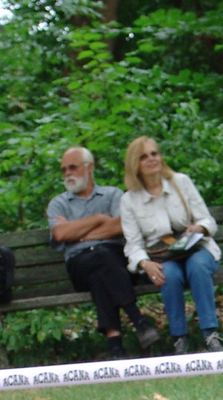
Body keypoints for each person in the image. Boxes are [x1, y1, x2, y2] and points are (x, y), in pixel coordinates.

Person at [48, 146, 161, 358]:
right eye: (63, 170)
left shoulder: (112, 195)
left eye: (72, 167)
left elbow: (121, 225)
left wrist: (79, 234)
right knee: (101, 259)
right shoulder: (59, 203)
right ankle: (137, 320)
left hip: (115, 261)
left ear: (89, 167)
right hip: (79, 265)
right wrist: (99, 218)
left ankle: (115, 346)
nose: (67, 173)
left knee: (100, 273)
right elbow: (61, 234)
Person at [121, 138, 223, 354]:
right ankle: (180, 338)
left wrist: (199, 228)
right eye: (144, 157)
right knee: (168, 275)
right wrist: (144, 263)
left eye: (154, 154)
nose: (151, 159)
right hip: (162, 256)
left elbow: (207, 220)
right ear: (134, 164)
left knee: (197, 266)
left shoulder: (181, 182)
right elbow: (133, 245)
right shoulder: (129, 200)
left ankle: (210, 333)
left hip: (196, 248)